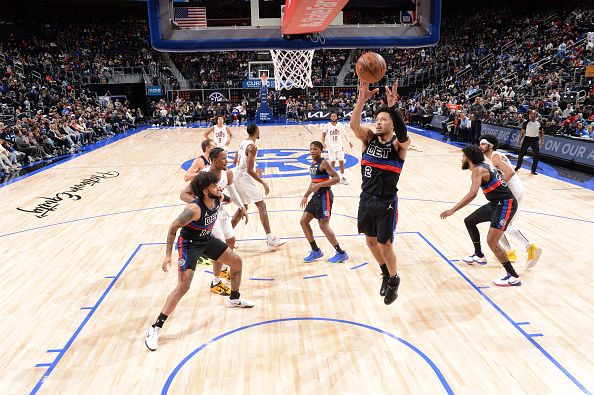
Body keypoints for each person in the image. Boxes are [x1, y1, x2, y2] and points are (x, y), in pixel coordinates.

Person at [145, 171, 254, 352]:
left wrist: (241, 207)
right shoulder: (193, 209)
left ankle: (234, 298)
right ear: (204, 191)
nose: (218, 187)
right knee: (183, 286)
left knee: (237, 262)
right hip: (189, 245)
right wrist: (167, 255)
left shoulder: (218, 197)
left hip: (207, 240)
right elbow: (173, 228)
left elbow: (229, 197)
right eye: (214, 186)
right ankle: (155, 327)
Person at [349, 80, 409, 305]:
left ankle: (394, 280)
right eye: (377, 119)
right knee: (371, 242)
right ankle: (384, 273)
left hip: (386, 202)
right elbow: (354, 126)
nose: (379, 122)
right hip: (366, 198)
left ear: (392, 124)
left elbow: (404, 137)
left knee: (385, 244)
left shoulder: (398, 146)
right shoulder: (369, 139)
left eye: (384, 119)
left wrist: (393, 108)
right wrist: (361, 100)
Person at [440, 145, 521, 287]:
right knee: (470, 221)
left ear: (469, 158)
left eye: (463, 156)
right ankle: (479, 255)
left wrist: (452, 210)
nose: (462, 159)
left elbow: (472, 194)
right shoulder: (484, 166)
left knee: (492, 241)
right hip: (496, 203)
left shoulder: (478, 170)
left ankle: (513, 276)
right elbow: (502, 176)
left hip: (505, 204)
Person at [181, 147, 248, 295]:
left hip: (220, 211)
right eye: (223, 158)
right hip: (208, 215)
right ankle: (216, 281)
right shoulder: (204, 175)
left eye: (227, 157)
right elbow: (183, 194)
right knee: (221, 246)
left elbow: (232, 192)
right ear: (214, 160)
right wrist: (200, 204)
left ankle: (223, 269)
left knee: (231, 240)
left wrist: (241, 207)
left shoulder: (227, 173)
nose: (227, 160)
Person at [479, 134, 542, 267]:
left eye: (483, 144)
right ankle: (509, 252)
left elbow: (510, 172)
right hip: (515, 190)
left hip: (512, 191)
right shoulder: (495, 156)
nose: (480, 146)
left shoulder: (495, 156)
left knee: (505, 225)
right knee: (497, 223)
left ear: (490, 145)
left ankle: (530, 247)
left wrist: (500, 186)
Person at [231, 123, 286, 250]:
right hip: (244, 177)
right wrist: (264, 183)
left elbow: (236, 162)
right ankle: (270, 239)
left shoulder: (242, 143)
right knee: (261, 205)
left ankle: (226, 238)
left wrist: (255, 168)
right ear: (256, 131)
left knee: (242, 208)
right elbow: (249, 170)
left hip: (236, 175)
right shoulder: (252, 147)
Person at [300, 141, 348, 263]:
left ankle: (341, 253)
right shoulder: (312, 164)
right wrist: (306, 195)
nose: (312, 151)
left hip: (324, 196)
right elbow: (313, 182)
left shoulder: (324, 163)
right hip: (316, 196)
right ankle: (315, 251)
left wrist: (320, 185)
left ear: (321, 150)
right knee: (304, 221)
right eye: (311, 149)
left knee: (323, 225)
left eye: (315, 149)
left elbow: (337, 178)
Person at [322, 112, 353, 185]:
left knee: (341, 161)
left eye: (334, 116)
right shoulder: (327, 126)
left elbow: (345, 134)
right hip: (331, 146)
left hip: (339, 145)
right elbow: (323, 136)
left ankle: (342, 177)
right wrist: (323, 142)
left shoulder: (340, 125)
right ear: (330, 117)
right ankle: (334, 178)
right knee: (332, 162)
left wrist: (349, 141)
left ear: (336, 117)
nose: (333, 117)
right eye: (332, 116)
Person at [514, 110, 544, 175]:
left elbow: (541, 132)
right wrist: (519, 140)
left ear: (536, 115)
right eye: (530, 114)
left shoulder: (539, 123)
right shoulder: (526, 122)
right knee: (521, 154)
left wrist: (542, 140)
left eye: (533, 114)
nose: (531, 115)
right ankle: (518, 166)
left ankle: (533, 170)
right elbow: (522, 132)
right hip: (527, 139)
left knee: (536, 155)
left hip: (535, 140)